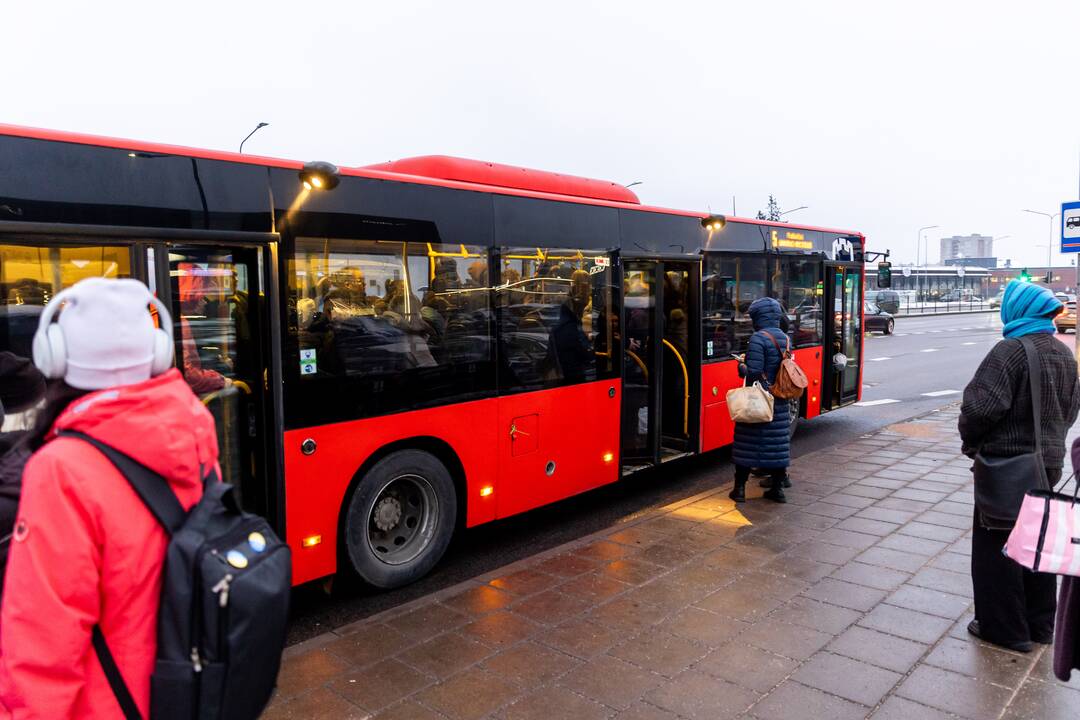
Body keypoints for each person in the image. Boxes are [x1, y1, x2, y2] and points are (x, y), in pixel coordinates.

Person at [0, 277, 220, 718]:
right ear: (156, 351)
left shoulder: (59, 466)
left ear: (54, 356)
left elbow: (42, 650)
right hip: (180, 688)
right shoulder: (193, 424)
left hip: (107, 702)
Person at [959, 279, 1080, 653]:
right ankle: (1041, 624)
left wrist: (972, 442)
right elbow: (1071, 410)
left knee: (997, 548)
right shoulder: (1064, 354)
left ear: (1015, 310)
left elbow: (979, 409)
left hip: (1008, 468)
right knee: (1038, 542)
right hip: (1048, 467)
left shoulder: (1009, 351)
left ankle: (1005, 629)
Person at [730, 297, 791, 504]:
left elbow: (755, 371)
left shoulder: (758, 338)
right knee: (777, 447)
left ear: (758, 317)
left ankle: (739, 490)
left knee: (747, 446)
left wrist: (741, 366)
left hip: (759, 400)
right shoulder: (784, 337)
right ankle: (777, 489)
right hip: (779, 401)